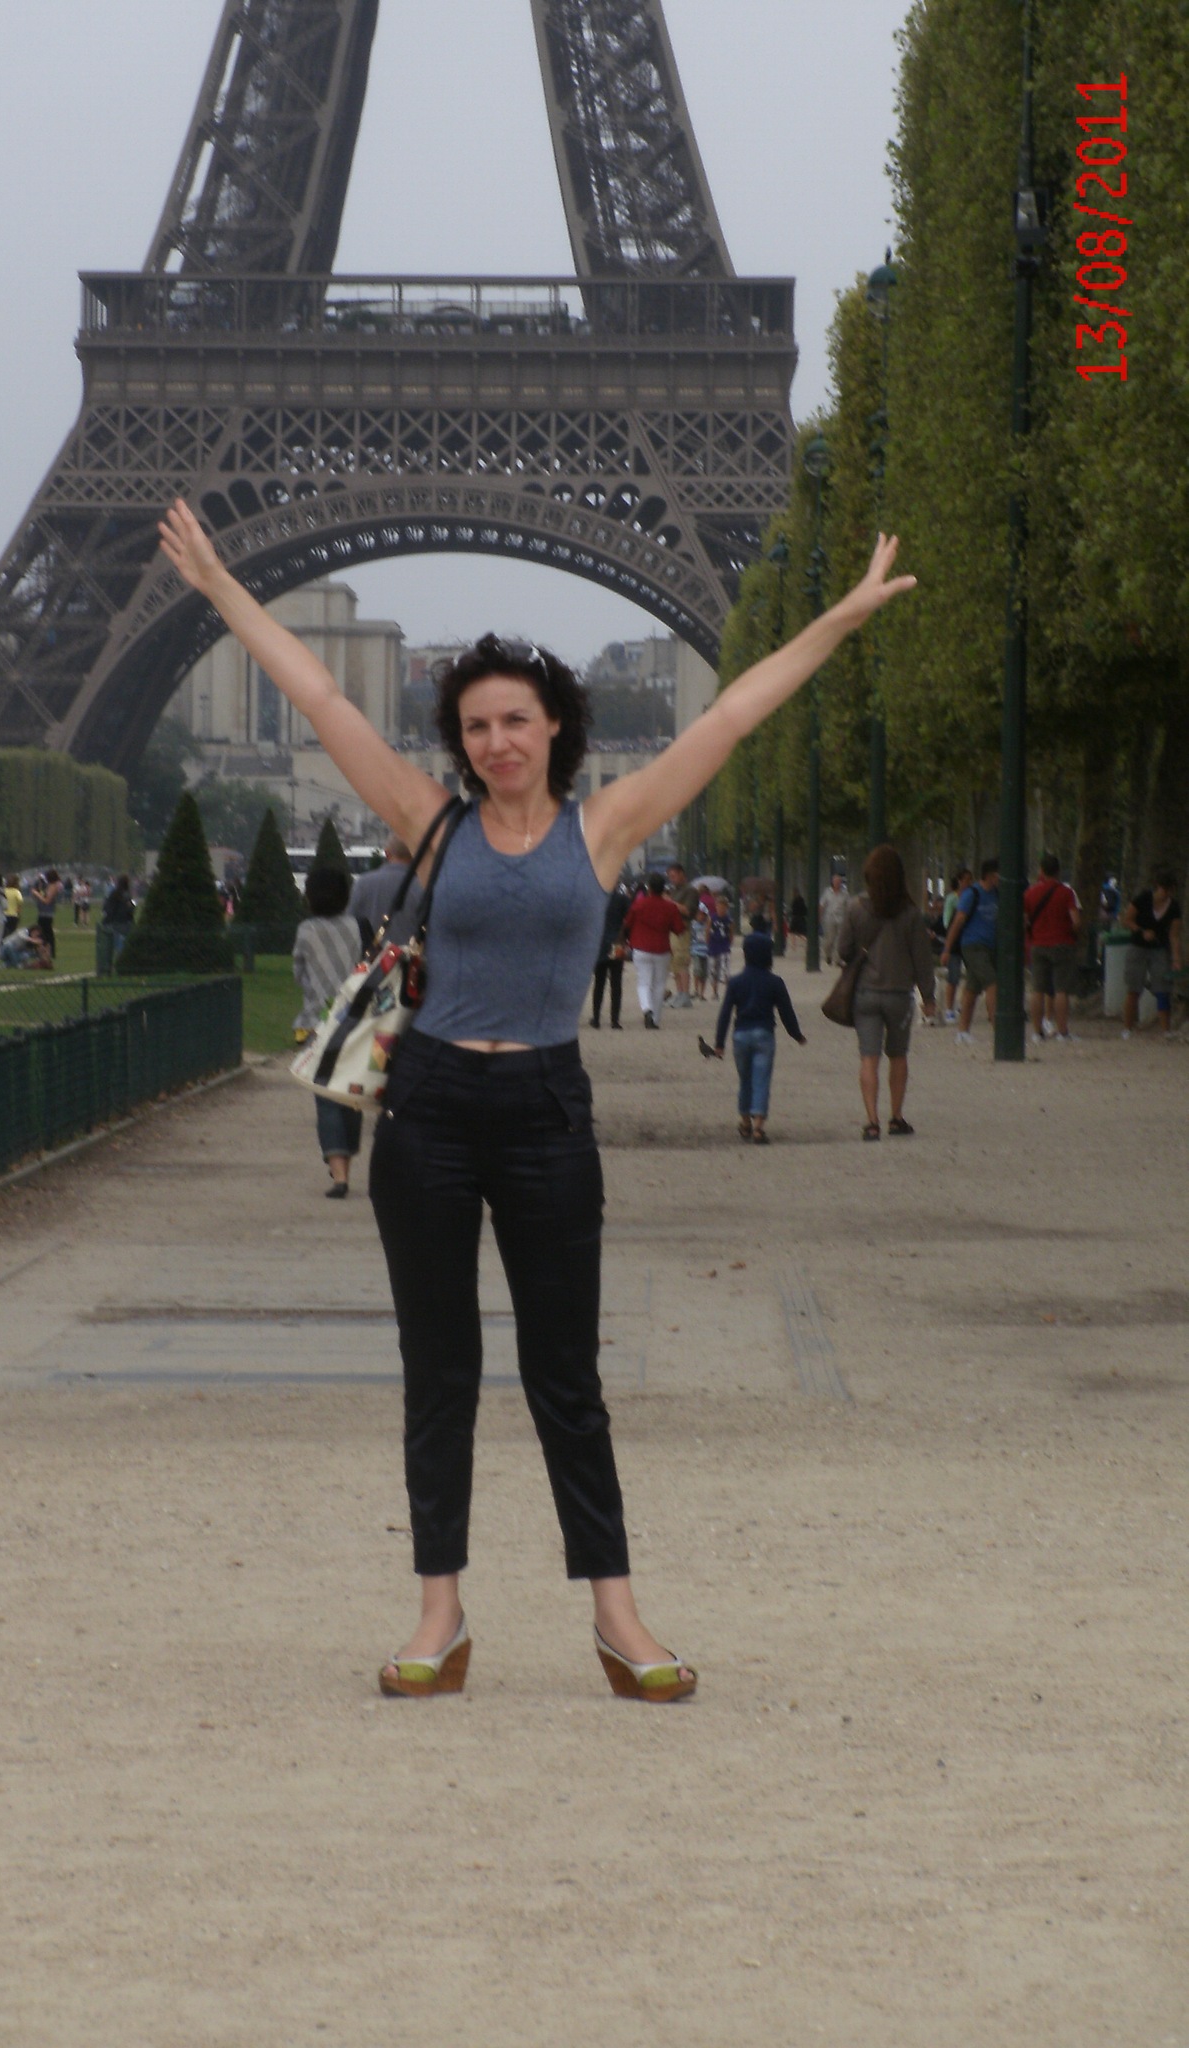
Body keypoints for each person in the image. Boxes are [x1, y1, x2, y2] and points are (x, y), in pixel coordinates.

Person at [158, 495, 914, 1703]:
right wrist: (218, 588)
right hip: (430, 1105)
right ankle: (438, 1611)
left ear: (555, 722)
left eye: (515, 718)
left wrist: (839, 619)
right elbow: (322, 695)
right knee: (438, 1371)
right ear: (458, 741)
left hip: (547, 1107)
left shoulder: (604, 827)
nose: (497, 739)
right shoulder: (430, 820)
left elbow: (731, 711)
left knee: (568, 1377)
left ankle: (617, 1615)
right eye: (476, 724)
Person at [838, 843, 937, 1139]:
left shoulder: (855, 907)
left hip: (865, 993)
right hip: (899, 995)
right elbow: (922, 960)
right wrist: (928, 996)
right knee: (898, 1055)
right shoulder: (910, 914)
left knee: (868, 1058)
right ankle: (896, 1117)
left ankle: (872, 1121)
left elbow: (843, 950)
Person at [292, 866, 366, 1196]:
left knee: (325, 1094)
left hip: (318, 1020)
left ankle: (339, 1174)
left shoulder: (305, 930)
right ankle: (345, 1160)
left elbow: (299, 973)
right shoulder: (357, 927)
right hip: (355, 1019)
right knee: (350, 1092)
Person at [711, 927, 805, 1143]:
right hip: (764, 1034)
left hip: (741, 1035)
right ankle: (759, 1127)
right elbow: (786, 1012)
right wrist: (796, 1034)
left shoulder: (736, 982)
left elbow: (725, 1013)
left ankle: (745, 1120)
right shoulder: (775, 982)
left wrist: (719, 1043)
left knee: (745, 1079)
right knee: (761, 1080)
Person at [1024, 853, 1081, 1044]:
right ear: (1058, 871)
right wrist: (1072, 933)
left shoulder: (1030, 893)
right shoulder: (1066, 892)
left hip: (1038, 944)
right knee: (1061, 990)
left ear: (1041, 871)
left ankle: (1037, 1032)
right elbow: (1076, 921)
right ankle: (1062, 1032)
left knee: (1037, 989)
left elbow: (1024, 920)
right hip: (1062, 943)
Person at [941, 856, 999, 1043]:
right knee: (993, 982)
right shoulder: (972, 894)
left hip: (991, 946)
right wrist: (947, 949)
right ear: (990, 875)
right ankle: (1000, 1030)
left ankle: (962, 1031)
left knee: (972, 989)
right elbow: (957, 922)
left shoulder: (997, 894)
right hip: (973, 945)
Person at [1121, 867, 1183, 1038]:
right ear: (1157, 886)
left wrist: (1176, 958)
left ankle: (1165, 1030)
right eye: (1164, 889)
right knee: (1134, 988)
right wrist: (1141, 931)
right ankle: (1127, 1028)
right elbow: (1127, 919)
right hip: (1138, 947)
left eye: (1170, 890)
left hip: (1159, 949)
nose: (1166, 894)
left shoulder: (1174, 907)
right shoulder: (1143, 898)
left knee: (1163, 989)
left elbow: (1174, 935)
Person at [623, 874, 687, 1029]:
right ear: (663, 889)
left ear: (649, 888)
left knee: (643, 982)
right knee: (659, 984)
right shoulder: (670, 907)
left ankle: (647, 1009)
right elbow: (679, 929)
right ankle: (656, 1019)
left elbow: (627, 924)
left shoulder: (639, 905)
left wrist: (626, 941)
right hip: (662, 949)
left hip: (641, 948)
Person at [348, 832, 420, 949]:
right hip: (411, 957)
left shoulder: (363, 883)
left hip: (371, 957)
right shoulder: (422, 886)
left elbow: (350, 922)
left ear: (387, 854)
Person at [588, 880, 631, 1029]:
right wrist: (626, 938)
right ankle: (614, 1020)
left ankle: (596, 1018)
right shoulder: (622, 899)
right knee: (616, 982)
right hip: (616, 943)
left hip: (599, 943)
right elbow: (629, 920)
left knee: (599, 982)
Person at [939, 864, 972, 1021]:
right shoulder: (952, 898)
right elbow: (947, 921)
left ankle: (963, 1003)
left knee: (972, 974)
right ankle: (949, 1009)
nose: (968, 883)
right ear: (959, 881)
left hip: (969, 939)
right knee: (953, 976)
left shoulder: (972, 896)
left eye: (970, 880)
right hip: (955, 940)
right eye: (966, 880)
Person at [664, 861, 693, 1008]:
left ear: (682, 874)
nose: (672, 879)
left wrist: (671, 902)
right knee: (674, 963)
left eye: (673, 876)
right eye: (670, 876)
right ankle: (680, 992)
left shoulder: (690, 891)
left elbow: (688, 911)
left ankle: (686, 995)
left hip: (683, 930)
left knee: (682, 962)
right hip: (672, 930)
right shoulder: (674, 890)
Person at [99, 874, 134, 965]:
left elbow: (108, 908)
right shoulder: (127, 895)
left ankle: (112, 963)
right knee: (122, 945)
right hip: (125, 923)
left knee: (113, 945)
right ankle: (120, 962)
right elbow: (131, 909)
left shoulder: (114, 894)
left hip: (113, 922)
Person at [820, 868, 851, 966]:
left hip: (841, 919)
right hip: (829, 918)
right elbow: (822, 905)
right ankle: (828, 954)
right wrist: (819, 916)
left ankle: (837, 959)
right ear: (832, 882)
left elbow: (849, 906)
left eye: (839, 881)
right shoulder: (827, 892)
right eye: (836, 881)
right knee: (829, 939)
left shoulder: (845, 894)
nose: (837, 883)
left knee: (839, 939)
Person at [34, 868, 63, 964]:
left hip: (46, 913)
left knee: (45, 933)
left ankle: (48, 952)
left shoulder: (53, 886)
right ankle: (46, 952)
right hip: (43, 912)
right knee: (47, 933)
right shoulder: (50, 886)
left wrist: (37, 894)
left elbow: (47, 900)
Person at [706, 890, 734, 990]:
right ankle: (715, 991)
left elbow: (731, 933)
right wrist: (708, 942)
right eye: (719, 906)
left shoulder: (729, 920)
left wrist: (729, 943)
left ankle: (728, 989)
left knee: (725, 968)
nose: (721, 909)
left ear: (726, 908)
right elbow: (707, 931)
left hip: (724, 945)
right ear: (716, 906)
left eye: (723, 907)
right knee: (713, 970)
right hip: (713, 945)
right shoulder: (712, 918)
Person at [2, 873, 23, 940]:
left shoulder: (3, 891)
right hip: (13, 915)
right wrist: (18, 911)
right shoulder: (16, 892)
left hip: (3, 915)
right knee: (12, 934)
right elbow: (20, 901)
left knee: (3, 934)